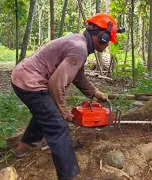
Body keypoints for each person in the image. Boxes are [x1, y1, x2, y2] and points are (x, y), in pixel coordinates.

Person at [11, 13, 124, 180]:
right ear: (101, 36)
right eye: (108, 40)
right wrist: (64, 113)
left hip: (23, 77)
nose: (108, 45)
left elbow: (77, 75)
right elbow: (56, 84)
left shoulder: (78, 43)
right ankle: (70, 176)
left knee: (45, 111)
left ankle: (24, 146)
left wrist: (94, 92)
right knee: (59, 127)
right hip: (30, 82)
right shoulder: (79, 49)